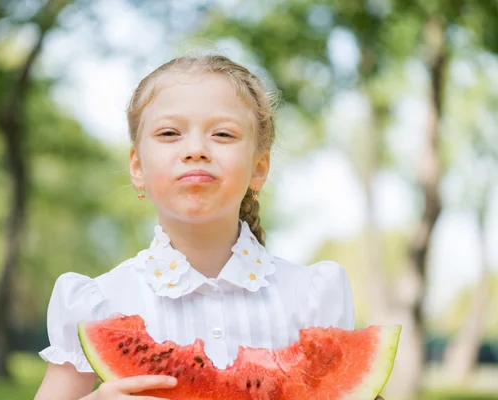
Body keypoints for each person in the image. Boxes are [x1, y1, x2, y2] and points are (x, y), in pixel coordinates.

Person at [34, 55, 384, 400]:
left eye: (223, 134)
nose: (196, 150)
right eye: (170, 133)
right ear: (137, 167)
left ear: (259, 168)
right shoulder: (100, 304)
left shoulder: (310, 298)